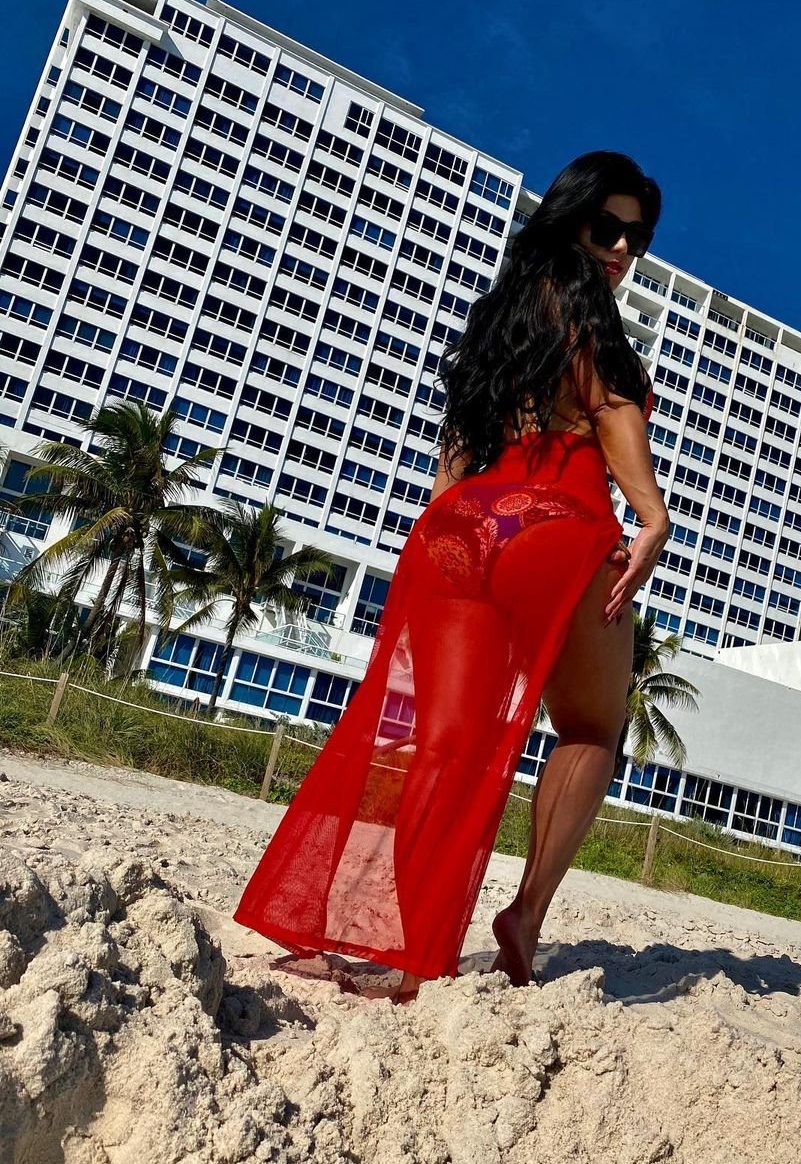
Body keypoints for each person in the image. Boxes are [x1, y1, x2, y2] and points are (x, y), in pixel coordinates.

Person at [234, 151, 670, 1002]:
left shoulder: (498, 321)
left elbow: (455, 460)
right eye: (608, 227)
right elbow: (612, 407)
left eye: (638, 238)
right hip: (557, 524)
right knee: (590, 729)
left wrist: (446, 540)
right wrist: (651, 517)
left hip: (461, 527)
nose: (622, 249)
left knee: (441, 745)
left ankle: (401, 946)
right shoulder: (587, 310)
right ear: (570, 222)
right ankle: (525, 917)